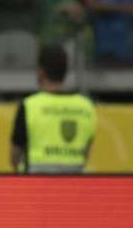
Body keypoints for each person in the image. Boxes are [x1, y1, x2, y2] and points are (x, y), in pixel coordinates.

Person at [10, 45, 96, 174]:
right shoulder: (86, 106)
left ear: (41, 71)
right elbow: (86, 154)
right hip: (75, 186)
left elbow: (14, 157)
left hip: (35, 185)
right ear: (65, 71)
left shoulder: (29, 106)